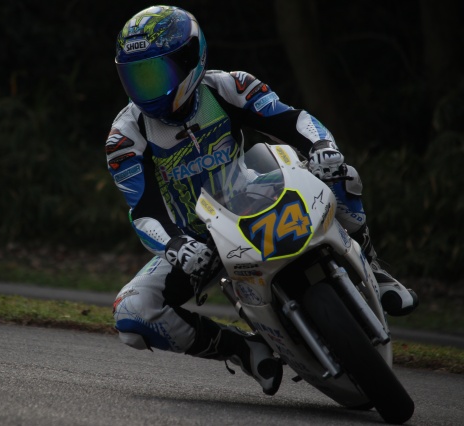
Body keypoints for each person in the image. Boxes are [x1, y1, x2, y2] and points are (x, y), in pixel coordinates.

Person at [105, 5, 418, 396]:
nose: (143, 89)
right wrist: (174, 244)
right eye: (135, 77)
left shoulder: (229, 87)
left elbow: (293, 120)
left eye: (153, 74)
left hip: (254, 197)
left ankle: (374, 268)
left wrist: (322, 146)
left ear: (189, 59)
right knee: (132, 312)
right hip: (198, 240)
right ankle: (241, 348)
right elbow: (143, 211)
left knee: (343, 175)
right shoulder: (124, 136)